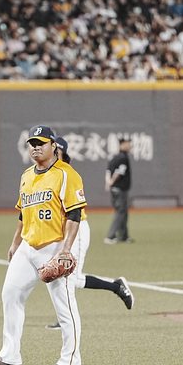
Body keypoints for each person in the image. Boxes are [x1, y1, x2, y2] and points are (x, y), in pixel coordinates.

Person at [0, 125, 86, 365]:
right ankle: (10, 355)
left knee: (64, 305)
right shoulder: (27, 175)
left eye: (41, 143)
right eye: (32, 143)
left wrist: (66, 250)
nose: (36, 147)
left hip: (54, 246)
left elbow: (74, 214)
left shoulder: (66, 174)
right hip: (28, 246)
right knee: (10, 294)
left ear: (53, 146)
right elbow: (23, 213)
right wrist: (15, 243)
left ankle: (71, 360)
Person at [45, 136, 134, 330]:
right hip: (62, 232)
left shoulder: (68, 174)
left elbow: (75, 211)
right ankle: (116, 286)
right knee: (67, 278)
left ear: (61, 153)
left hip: (77, 230)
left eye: (55, 149)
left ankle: (66, 318)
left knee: (70, 278)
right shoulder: (48, 173)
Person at [104, 137, 132, 244]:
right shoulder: (122, 157)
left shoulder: (115, 157)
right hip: (120, 189)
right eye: (127, 144)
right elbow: (119, 172)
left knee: (123, 212)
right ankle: (110, 236)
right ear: (122, 145)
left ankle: (123, 236)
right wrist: (111, 182)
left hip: (115, 189)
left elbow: (108, 171)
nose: (129, 146)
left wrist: (108, 183)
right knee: (120, 212)